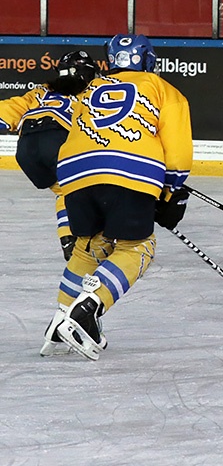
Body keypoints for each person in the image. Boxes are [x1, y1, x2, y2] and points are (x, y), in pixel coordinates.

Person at [41, 34, 193, 360]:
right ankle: (89, 309)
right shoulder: (164, 90)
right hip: (130, 173)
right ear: (148, 60)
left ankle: (62, 315)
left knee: (89, 244)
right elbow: (178, 156)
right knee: (138, 246)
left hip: (73, 173)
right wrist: (171, 193)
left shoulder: (90, 88)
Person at [0, 50, 99, 262]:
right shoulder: (91, 92)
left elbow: (11, 108)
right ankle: (77, 238)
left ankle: (69, 240)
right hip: (56, 140)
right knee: (81, 188)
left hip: (26, 148)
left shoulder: (40, 92)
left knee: (63, 189)